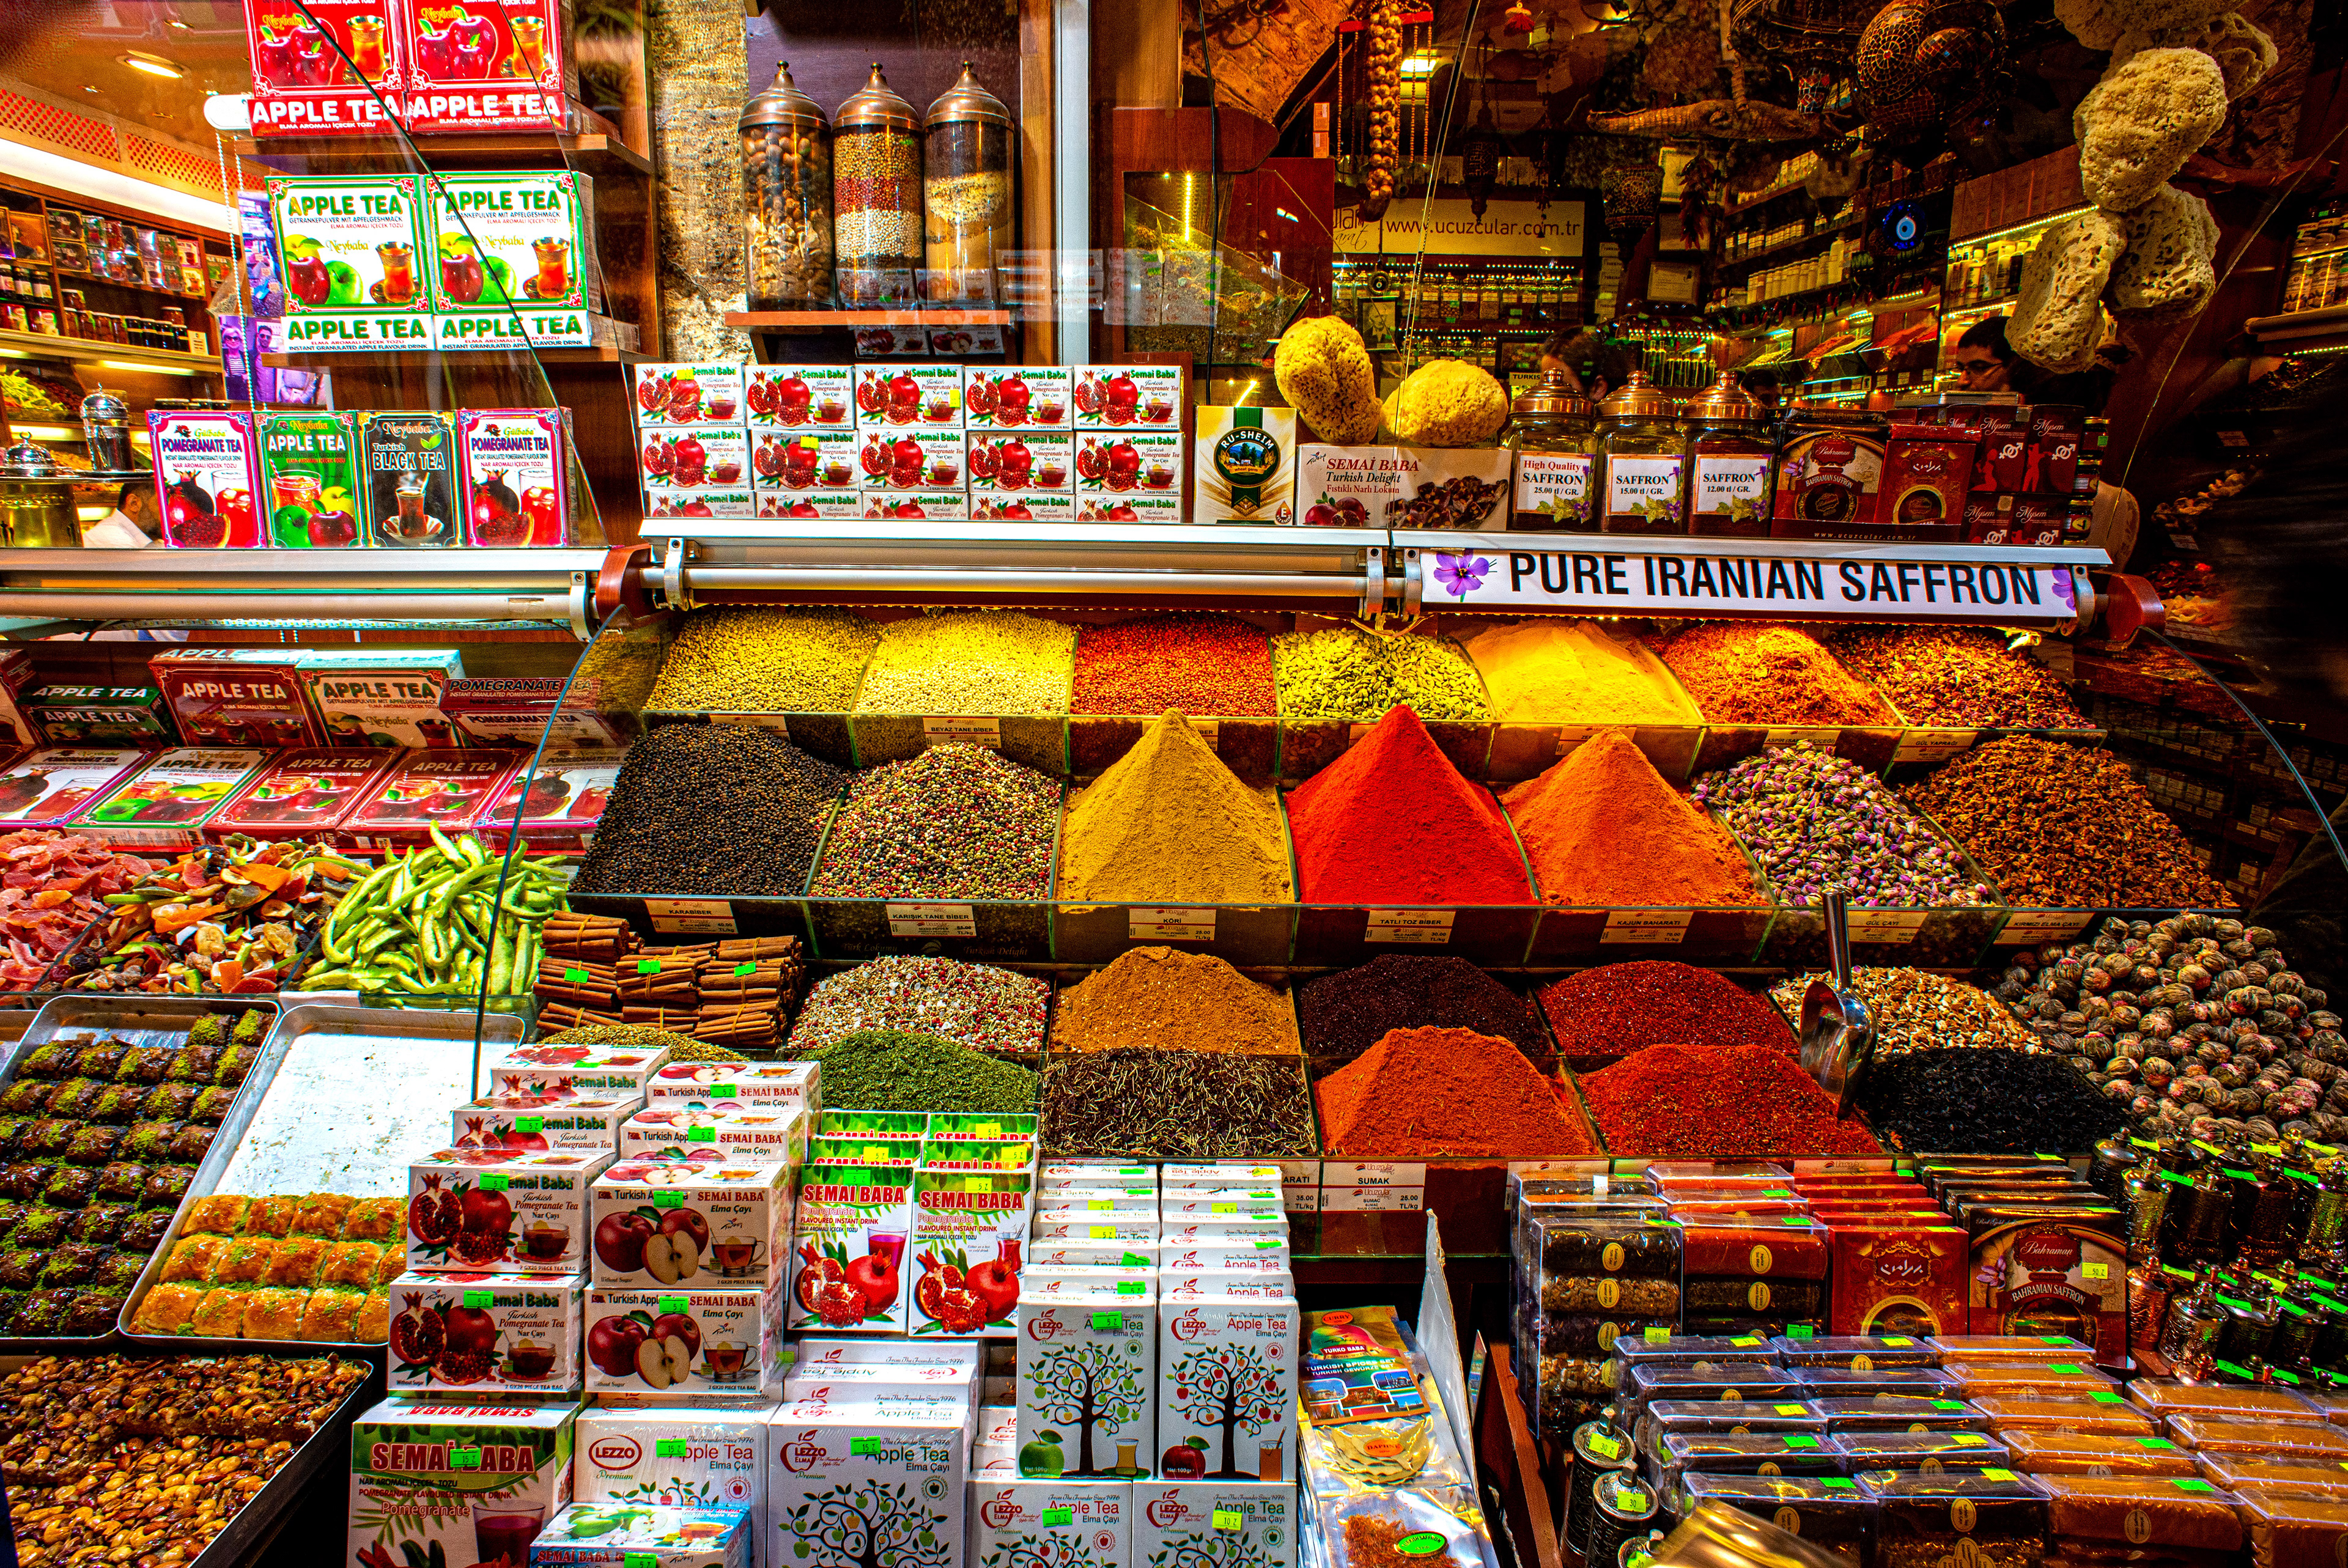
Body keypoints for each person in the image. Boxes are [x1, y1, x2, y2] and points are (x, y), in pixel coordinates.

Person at [81, 482, 160, 549]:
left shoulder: (149, 539)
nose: (171, 513)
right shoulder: (116, 540)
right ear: (134, 504)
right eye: (163, 504)